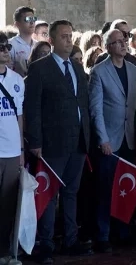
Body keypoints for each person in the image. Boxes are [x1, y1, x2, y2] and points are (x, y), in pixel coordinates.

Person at [25, 20, 93, 263]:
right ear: (51, 41)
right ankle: (46, 244)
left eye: (71, 35)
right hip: (52, 143)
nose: (69, 40)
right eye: (63, 36)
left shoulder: (76, 68)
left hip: (78, 142)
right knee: (50, 193)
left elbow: (82, 105)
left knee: (71, 192)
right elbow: (32, 108)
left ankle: (71, 240)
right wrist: (35, 141)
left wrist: (87, 135)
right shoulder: (40, 68)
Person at [89, 28, 136, 251]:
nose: (123, 44)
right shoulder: (99, 72)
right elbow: (96, 109)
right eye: (118, 42)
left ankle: (123, 231)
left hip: (130, 140)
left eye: (124, 41)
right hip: (110, 141)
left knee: (126, 189)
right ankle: (103, 236)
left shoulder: (133, 70)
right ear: (108, 47)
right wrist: (102, 139)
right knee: (105, 190)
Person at [0, 32, 24, 263]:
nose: (6, 51)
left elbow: (19, 116)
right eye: (1, 48)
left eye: (7, 47)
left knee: (8, 204)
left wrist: (21, 151)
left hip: (10, 152)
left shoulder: (16, 80)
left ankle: (5, 252)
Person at [9, 6, 36, 76]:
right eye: (28, 19)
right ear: (17, 24)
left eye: (33, 19)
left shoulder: (38, 44)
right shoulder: (10, 45)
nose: (32, 23)